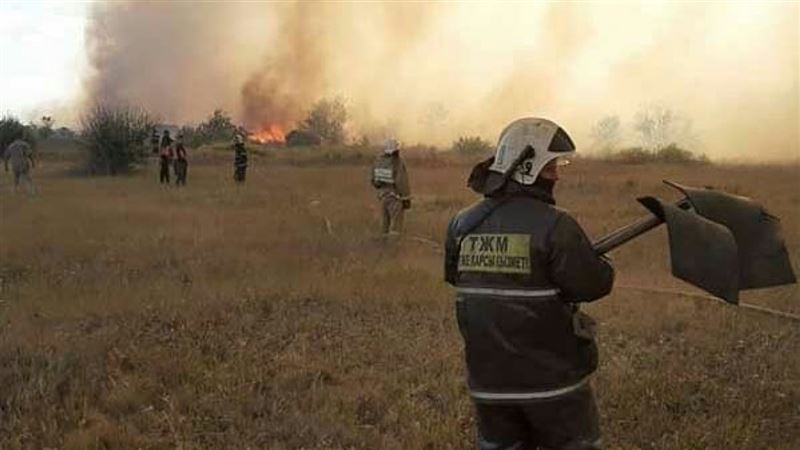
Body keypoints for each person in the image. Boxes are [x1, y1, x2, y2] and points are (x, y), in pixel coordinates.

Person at [444, 117, 614, 450]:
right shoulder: (557, 226)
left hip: (489, 386)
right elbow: (592, 286)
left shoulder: (461, 224)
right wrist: (600, 265)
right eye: (551, 167)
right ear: (527, 167)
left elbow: (456, 278)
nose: (557, 175)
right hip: (554, 387)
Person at [370, 138, 411, 235]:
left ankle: (382, 246)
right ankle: (394, 247)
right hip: (395, 197)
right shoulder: (397, 162)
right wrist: (406, 199)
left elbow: (373, 180)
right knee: (396, 227)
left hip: (382, 197)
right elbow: (401, 182)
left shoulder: (377, 161)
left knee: (384, 224)